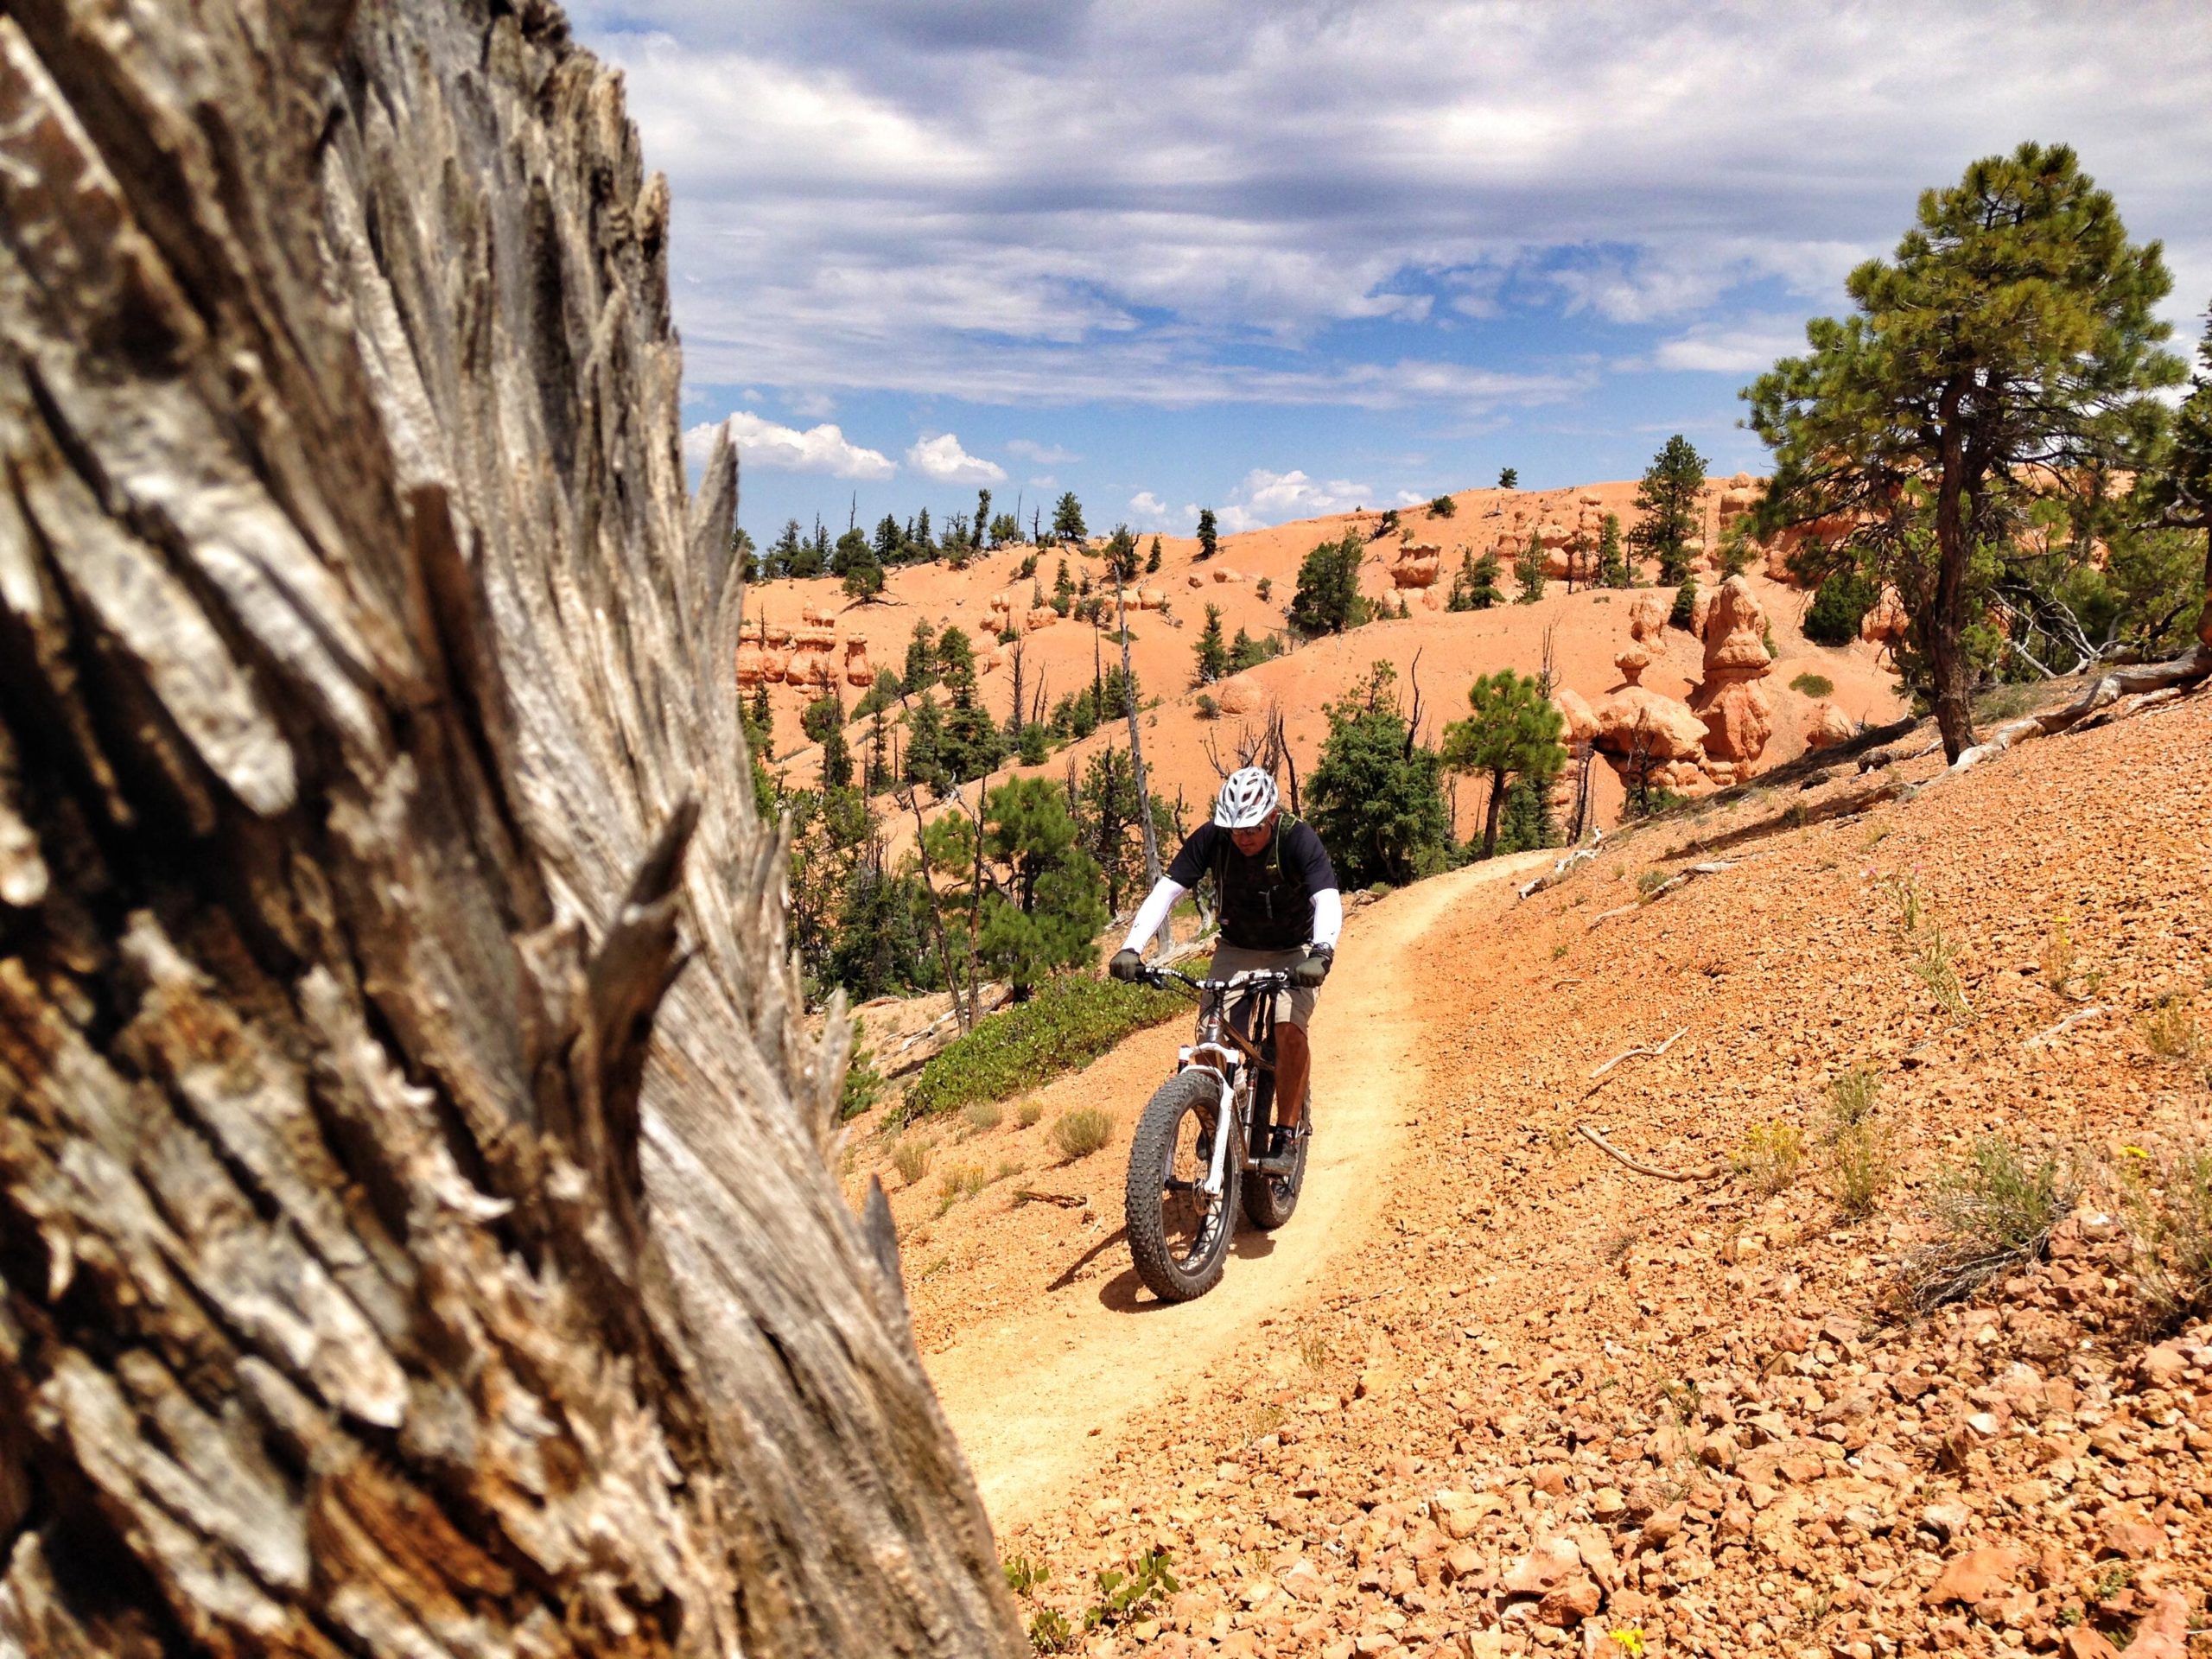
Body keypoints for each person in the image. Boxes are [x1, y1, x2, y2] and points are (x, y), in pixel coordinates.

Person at [1110, 767, 1339, 1173]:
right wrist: (1131, 946)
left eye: (1251, 828)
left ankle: (1286, 1133)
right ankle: (1218, 1116)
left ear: (1271, 816)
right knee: (1211, 1035)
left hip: (1295, 950)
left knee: (1288, 1029)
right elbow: (1168, 890)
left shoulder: (1297, 838)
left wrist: (1321, 953)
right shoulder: (1214, 838)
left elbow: (1325, 898)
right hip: (1238, 948)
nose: (1242, 837)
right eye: (1235, 830)